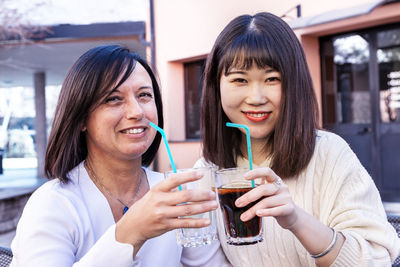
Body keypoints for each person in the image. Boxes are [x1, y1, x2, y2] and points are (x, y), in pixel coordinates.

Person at [196, 12, 400, 266]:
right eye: (239, 79)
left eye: (272, 79)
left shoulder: (329, 154)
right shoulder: (206, 172)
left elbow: (376, 258)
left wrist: (296, 220)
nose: (256, 97)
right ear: (216, 85)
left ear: (294, 84)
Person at [10, 45, 225, 266]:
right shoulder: (54, 203)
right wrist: (129, 233)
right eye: (114, 98)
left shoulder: (179, 196)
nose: (137, 112)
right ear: (81, 117)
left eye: (144, 95)